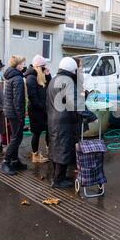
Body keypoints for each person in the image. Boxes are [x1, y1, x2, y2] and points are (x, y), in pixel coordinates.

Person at [47, 57, 97, 188]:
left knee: (56, 148)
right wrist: (91, 116)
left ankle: (58, 176)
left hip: (54, 119)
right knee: (63, 149)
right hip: (64, 121)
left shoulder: (54, 79)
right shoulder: (67, 81)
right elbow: (76, 103)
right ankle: (58, 180)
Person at [1, 55, 28, 175]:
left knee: (15, 137)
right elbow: (18, 100)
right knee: (16, 138)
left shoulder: (11, 76)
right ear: (18, 65)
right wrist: (21, 115)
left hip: (10, 111)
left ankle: (15, 160)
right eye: (22, 63)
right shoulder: (17, 78)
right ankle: (5, 162)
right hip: (15, 112)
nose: (24, 65)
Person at [25, 55, 51, 163]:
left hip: (43, 109)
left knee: (48, 130)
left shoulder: (40, 75)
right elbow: (33, 97)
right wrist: (42, 107)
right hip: (36, 111)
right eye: (44, 66)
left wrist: (48, 75)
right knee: (36, 133)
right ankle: (35, 155)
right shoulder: (31, 77)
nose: (45, 67)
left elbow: (49, 86)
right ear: (39, 66)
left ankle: (50, 149)